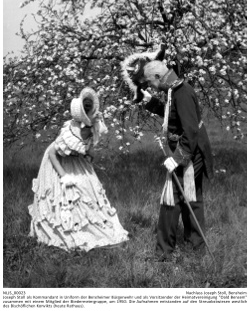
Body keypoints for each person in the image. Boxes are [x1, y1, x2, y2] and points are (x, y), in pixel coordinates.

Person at [121, 46, 213, 261]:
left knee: (172, 198)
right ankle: (195, 246)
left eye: (150, 83)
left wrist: (178, 158)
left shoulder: (182, 92)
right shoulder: (175, 89)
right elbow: (171, 114)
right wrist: (149, 102)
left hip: (191, 151)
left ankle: (164, 252)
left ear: (156, 76)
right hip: (191, 149)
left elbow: (190, 130)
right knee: (192, 197)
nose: (151, 87)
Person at [28, 87, 129, 252]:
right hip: (57, 162)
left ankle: (94, 229)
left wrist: (90, 154)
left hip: (76, 160)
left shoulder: (90, 127)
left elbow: (85, 147)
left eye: (92, 107)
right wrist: (63, 176)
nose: (93, 111)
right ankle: (67, 230)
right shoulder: (71, 130)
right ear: (83, 112)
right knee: (68, 194)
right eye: (88, 108)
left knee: (90, 192)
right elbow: (53, 153)